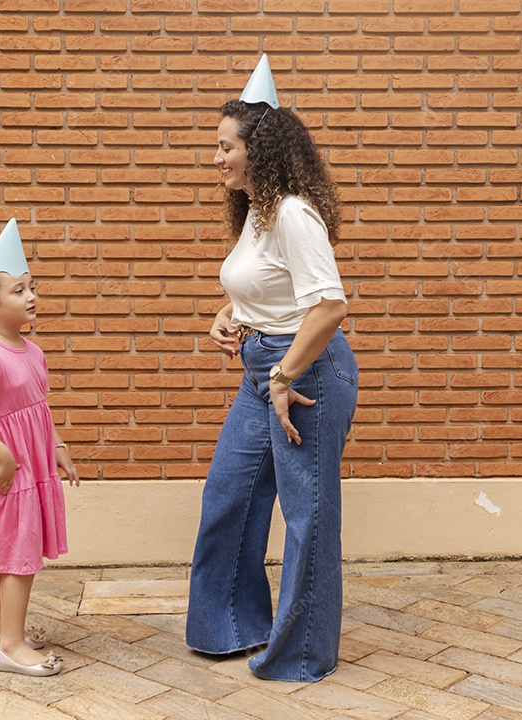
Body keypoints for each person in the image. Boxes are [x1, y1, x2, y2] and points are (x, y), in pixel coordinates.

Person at [185, 55, 359, 682]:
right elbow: (269, 288)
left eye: (224, 146)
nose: (216, 158)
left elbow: (329, 305)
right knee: (229, 494)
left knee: (307, 513)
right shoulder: (257, 215)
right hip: (266, 368)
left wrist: (283, 376)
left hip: (306, 375)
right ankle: (232, 626)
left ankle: (303, 651)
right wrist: (230, 314)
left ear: (256, 148)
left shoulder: (292, 212)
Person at [0, 218, 80, 677]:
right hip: (6, 469)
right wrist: (4, 457)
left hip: (26, 461)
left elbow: (37, 406)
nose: (31, 297)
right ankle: (11, 645)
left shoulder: (30, 348)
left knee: (0, 545)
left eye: (32, 287)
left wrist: (57, 444)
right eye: (19, 290)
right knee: (17, 553)